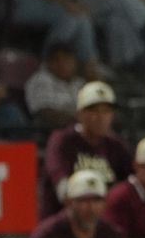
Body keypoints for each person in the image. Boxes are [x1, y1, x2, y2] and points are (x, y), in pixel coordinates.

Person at [41, 81, 134, 217]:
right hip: (64, 222)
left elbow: (131, 183)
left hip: (105, 221)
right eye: (93, 111)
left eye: (106, 111)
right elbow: (59, 177)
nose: (100, 117)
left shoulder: (117, 146)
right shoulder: (63, 140)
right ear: (79, 114)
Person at [23, 43, 85, 130]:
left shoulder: (79, 83)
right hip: (47, 131)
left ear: (75, 62)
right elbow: (44, 113)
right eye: (56, 59)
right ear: (48, 62)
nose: (62, 64)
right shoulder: (41, 80)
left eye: (66, 59)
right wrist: (80, 120)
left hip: (79, 129)